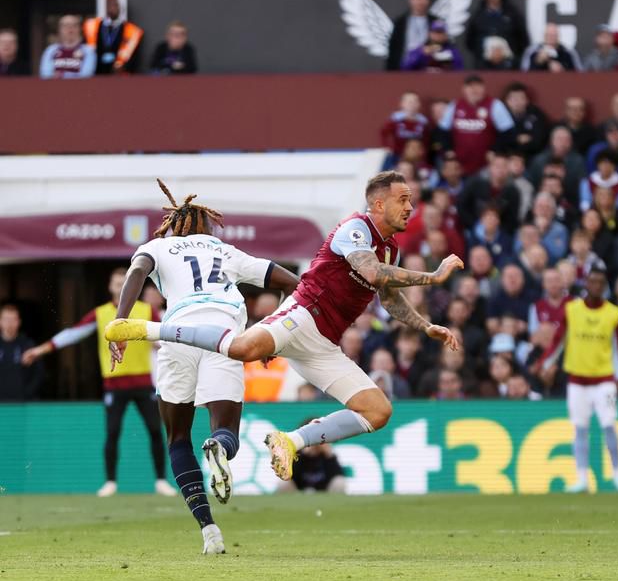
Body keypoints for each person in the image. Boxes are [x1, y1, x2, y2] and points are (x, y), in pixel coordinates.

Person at [106, 171, 463, 484]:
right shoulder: (356, 228)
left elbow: (387, 294)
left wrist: (425, 325)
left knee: (378, 411)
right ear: (378, 204)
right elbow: (369, 271)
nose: (410, 207)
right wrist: (432, 277)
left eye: (411, 201)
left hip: (323, 343)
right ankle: (149, 329)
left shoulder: (391, 250)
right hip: (303, 313)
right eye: (403, 200)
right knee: (244, 350)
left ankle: (290, 441)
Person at [108, 180, 299, 554]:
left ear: (174, 224)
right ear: (207, 226)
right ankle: (218, 447)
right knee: (226, 431)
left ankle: (209, 529)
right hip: (224, 336)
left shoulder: (157, 246)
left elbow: (136, 273)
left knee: (177, 439)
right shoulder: (225, 250)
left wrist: (120, 323)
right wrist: (270, 332)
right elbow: (293, 282)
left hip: (177, 335)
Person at [23, 269, 174, 497]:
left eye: (124, 282)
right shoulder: (101, 313)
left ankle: (161, 481)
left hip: (143, 382)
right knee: (112, 432)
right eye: (116, 282)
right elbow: (73, 333)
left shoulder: (146, 310)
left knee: (155, 430)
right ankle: (111, 482)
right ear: (110, 287)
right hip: (114, 384)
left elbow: (166, 334)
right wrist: (40, 350)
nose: (120, 285)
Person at [541, 265, 618, 492]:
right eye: (593, 281)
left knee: (609, 426)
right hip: (577, 381)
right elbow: (558, 340)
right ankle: (581, 478)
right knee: (580, 429)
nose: (596, 286)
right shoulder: (571, 309)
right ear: (586, 284)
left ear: (605, 286)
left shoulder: (613, 313)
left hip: (604, 380)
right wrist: (545, 364)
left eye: (601, 282)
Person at [437, 75, 515, 175]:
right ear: (464, 89)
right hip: (458, 164)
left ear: (483, 88)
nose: (474, 90)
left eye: (477, 87)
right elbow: (442, 131)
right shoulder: (455, 105)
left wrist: (495, 150)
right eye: (470, 87)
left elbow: (508, 132)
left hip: (486, 165)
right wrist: (448, 149)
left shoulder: (495, 105)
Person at [466, 0, 527, 69]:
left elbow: (522, 38)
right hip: (484, 66)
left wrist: (506, 52)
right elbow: (469, 41)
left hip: (509, 66)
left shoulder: (513, 14)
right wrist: (484, 51)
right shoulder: (477, 16)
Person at [278, 419, 348, 492]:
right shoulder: (297, 454)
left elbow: (338, 476)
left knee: (339, 482)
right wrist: (304, 454)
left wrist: (329, 455)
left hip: (325, 493)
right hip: (299, 494)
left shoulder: (327, 455)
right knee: (283, 483)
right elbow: (290, 476)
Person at [83, 0, 143, 75]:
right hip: (96, 69)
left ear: (121, 10)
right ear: (106, 8)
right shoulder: (94, 25)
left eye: (116, 6)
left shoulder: (130, 30)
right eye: (111, 6)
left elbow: (134, 55)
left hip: (118, 71)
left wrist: (126, 68)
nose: (113, 8)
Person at [0, 303, 45, 401]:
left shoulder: (28, 345)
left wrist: (27, 394)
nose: (9, 323)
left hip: (23, 403)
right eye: (6, 319)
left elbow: (39, 373)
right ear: (0, 321)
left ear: (19, 322)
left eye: (13, 319)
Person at [387, 0, 437, 71]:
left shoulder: (435, 22)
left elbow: (443, 45)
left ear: (428, 1)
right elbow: (393, 49)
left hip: (428, 69)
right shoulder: (400, 23)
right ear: (410, 0)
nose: (420, 1)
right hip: (404, 70)